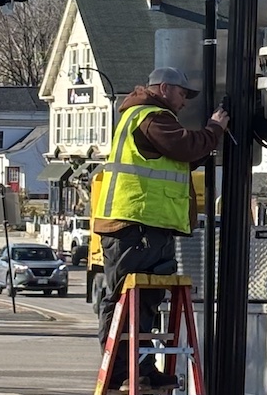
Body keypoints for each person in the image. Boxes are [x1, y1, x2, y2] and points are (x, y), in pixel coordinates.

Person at [92, 66, 228, 358]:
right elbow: (186, 146)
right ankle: (122, 371)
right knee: (126, 301)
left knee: (144, 302)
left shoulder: (148, 118)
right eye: (182, 94)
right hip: (134, 223)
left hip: (147, 226)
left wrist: (205, 145)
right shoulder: (152, 116)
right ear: (164, 88)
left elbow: (183, 156)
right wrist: (214, 129)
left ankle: (141, 367)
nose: (184, 101)